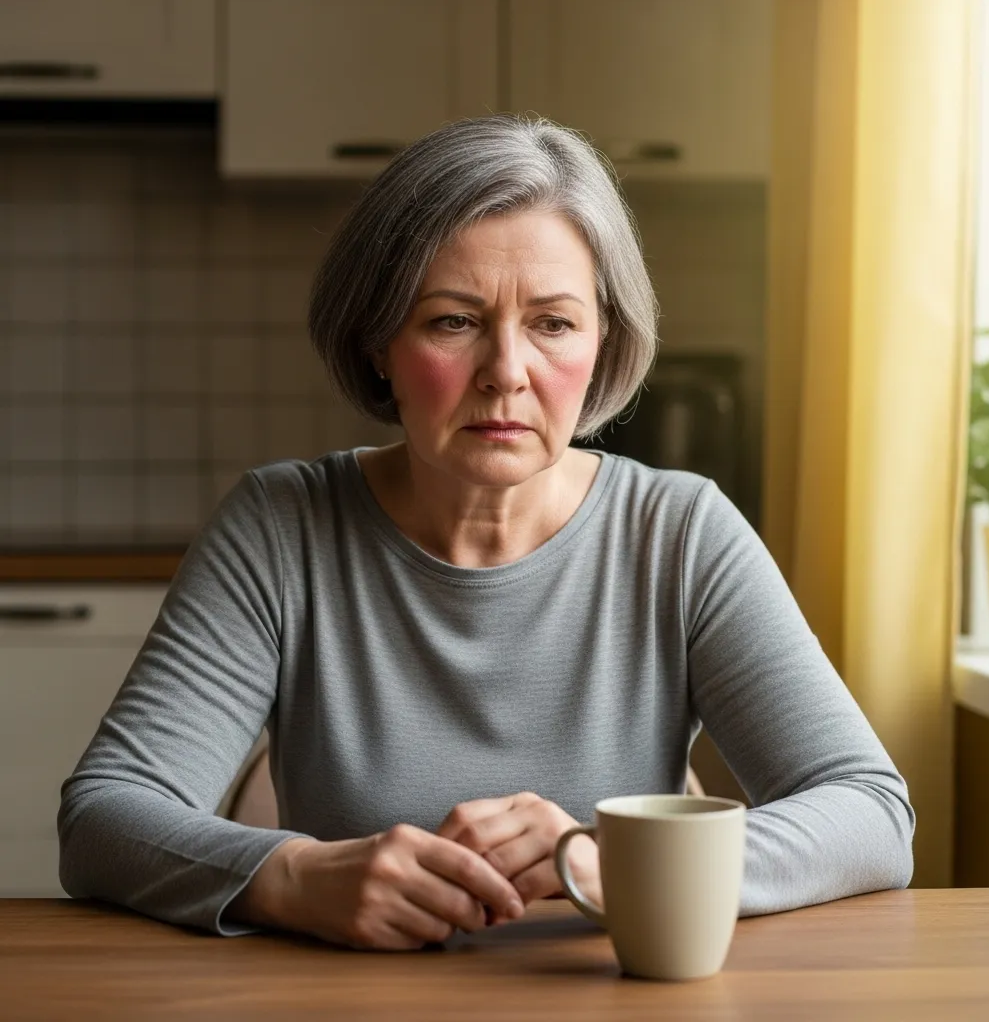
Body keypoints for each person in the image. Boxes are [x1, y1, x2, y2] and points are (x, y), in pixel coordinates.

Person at [58, 115, 914, 950]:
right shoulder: (282, 526)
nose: (507, 373)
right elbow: (104, 815)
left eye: (553, 323)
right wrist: (292, 877)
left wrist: (617, 859)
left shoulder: (681, 533)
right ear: (378, 343)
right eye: (453, 321)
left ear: (602, 343)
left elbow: (871, 812)